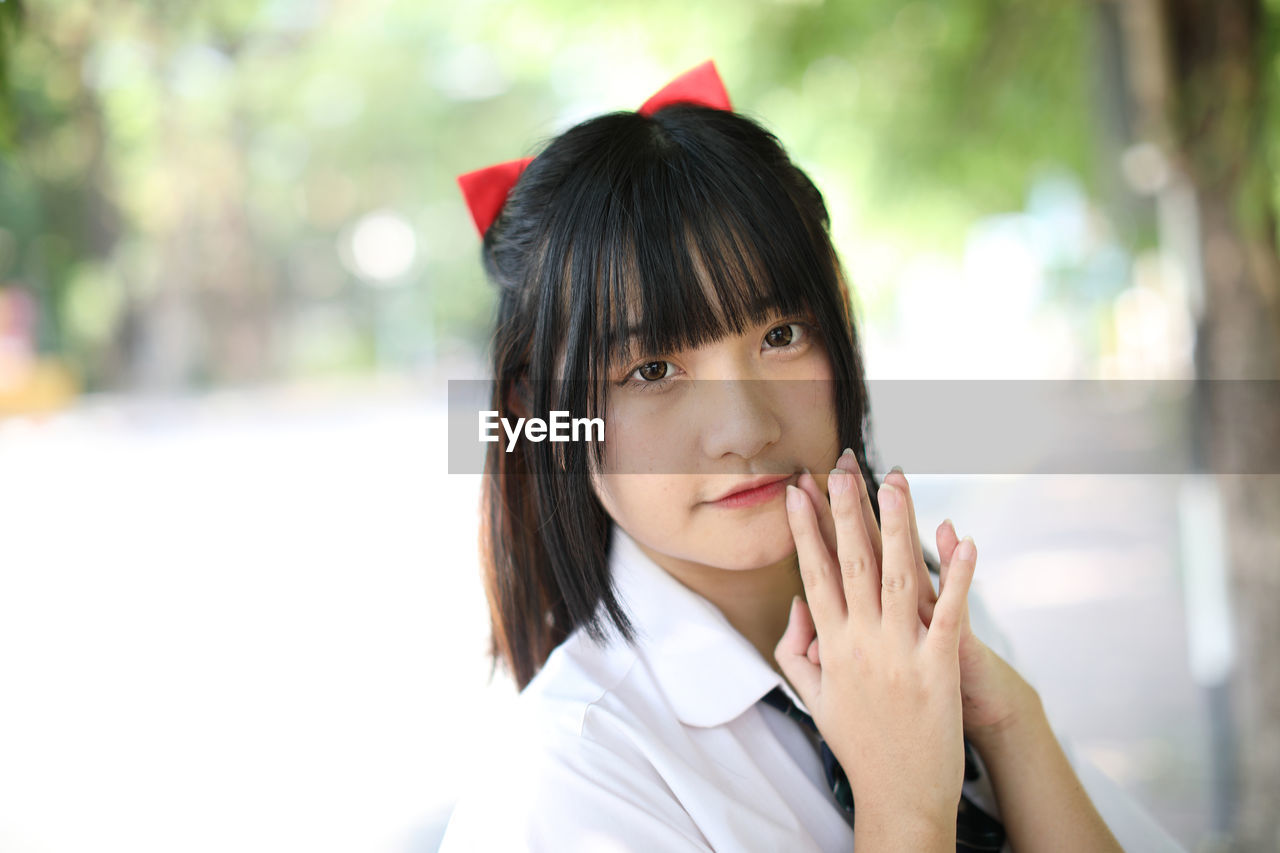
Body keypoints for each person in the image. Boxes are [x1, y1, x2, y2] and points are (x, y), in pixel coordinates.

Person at [439, 60, 1181, 851]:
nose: (745, 427)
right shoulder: (564, 784)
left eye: (781, 335)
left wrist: (1011, 723)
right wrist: (904, 804)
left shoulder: (913, 607)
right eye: (652, 370)